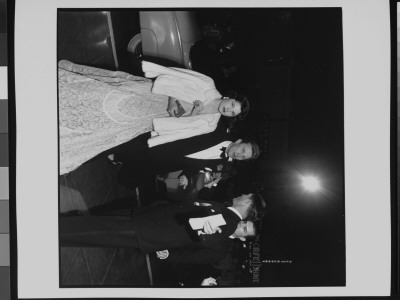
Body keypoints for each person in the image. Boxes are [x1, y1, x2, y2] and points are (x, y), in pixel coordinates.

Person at [58, 60, 249, 174]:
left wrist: (193, 114)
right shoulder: (209, 84)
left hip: (153, 118)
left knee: (113, 124)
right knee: (108, 95)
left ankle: (71, 128)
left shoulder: (210, 124)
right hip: (153, 94)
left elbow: (176, 130)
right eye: (232, 105)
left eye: (232, 113)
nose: (228, 110)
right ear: (228, 97)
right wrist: (173, 100)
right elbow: (175, 76)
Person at [59, 194, 260, 265]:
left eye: (245, 230)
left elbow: (195, 250)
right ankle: (60, 231)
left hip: (150, 231)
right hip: (148, 218)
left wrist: (168, 254)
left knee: (92, 231)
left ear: (247, 202)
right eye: (245, 224)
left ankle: (49, 232)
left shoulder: (226, 224)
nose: (241, 226)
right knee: (94, 226)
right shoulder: (223, 208)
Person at [108, 122, 260, 189]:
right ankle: (114, 151)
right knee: (132, 146)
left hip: (169, 163)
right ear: (239, 141)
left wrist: (187, 176)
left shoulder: (222, 166)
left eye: (243, 156)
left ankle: (118, 158)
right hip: (167, 142)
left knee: (140, 167)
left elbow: (197, 166)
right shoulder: (216, 129)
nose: (240, 154)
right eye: (243, 149)